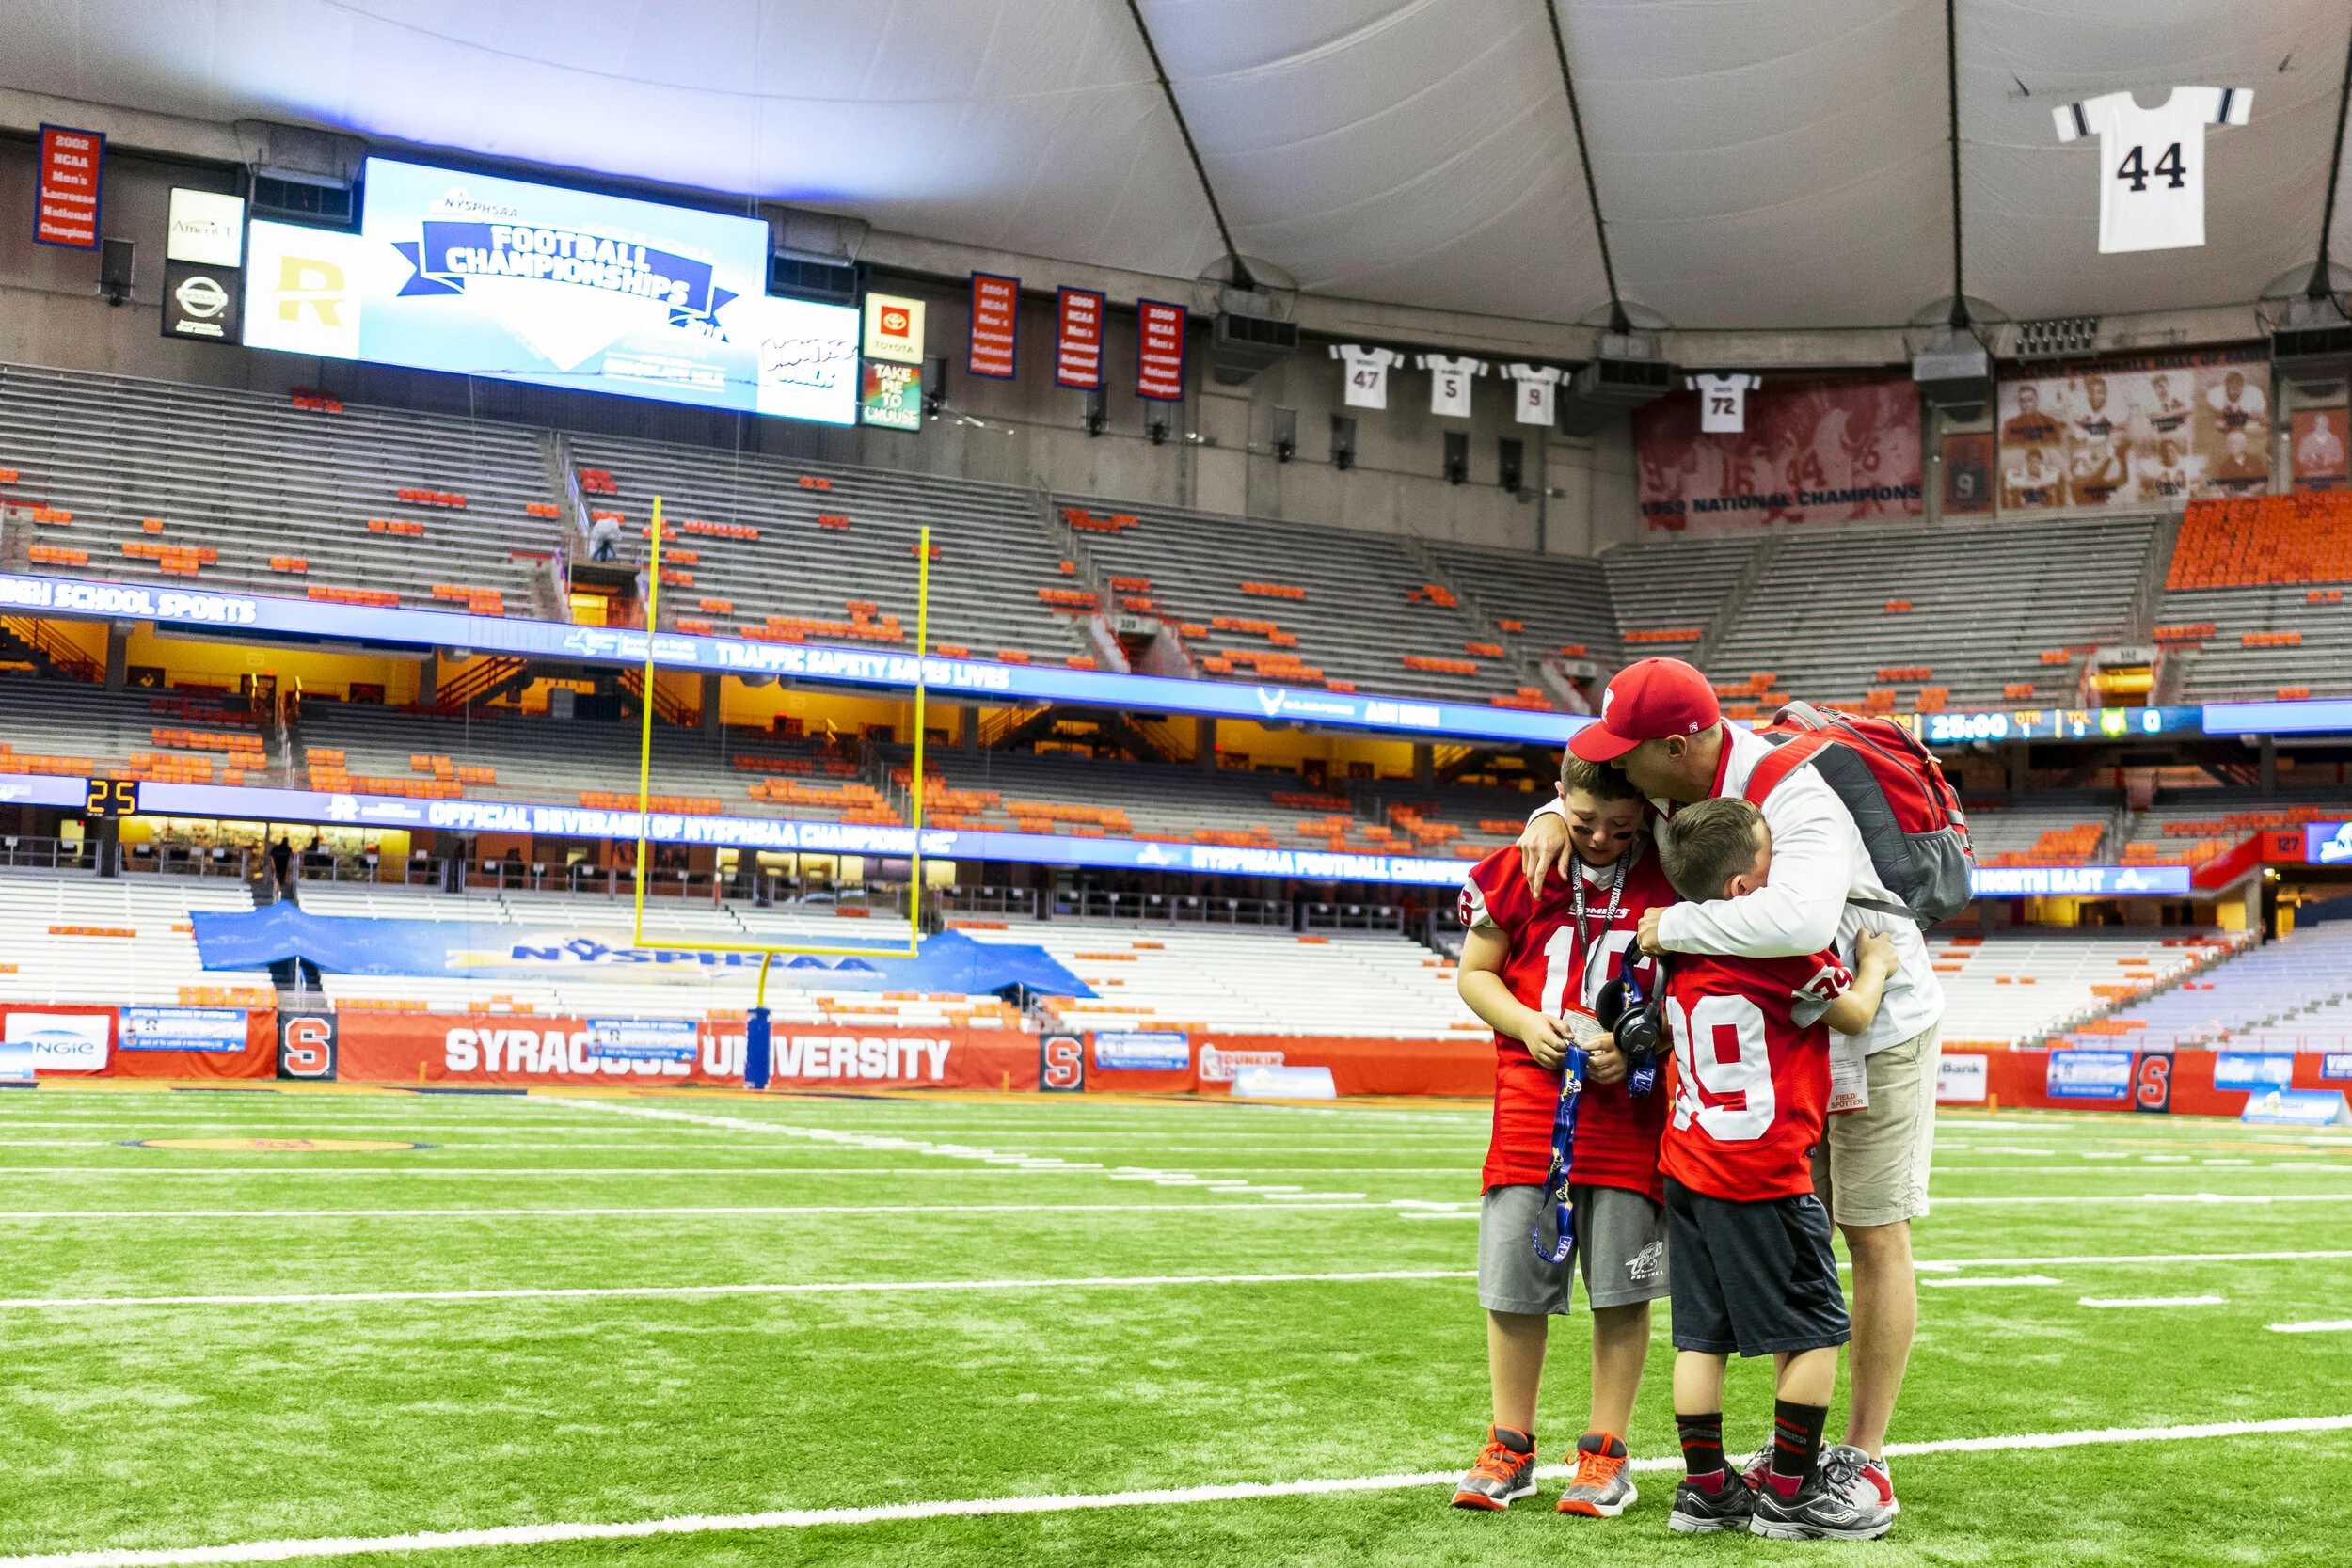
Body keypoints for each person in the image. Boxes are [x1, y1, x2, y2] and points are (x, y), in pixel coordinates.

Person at [1519, 657, 1945, 1517]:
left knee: (1871, 1232)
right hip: (1789, 1034)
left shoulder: (1791, 790)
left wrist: (1671, 924)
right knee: (1807, 1234)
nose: (1616, 768)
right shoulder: (1678, 786)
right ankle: (1802, 1450)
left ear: (1677, 748)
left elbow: (1797, 920)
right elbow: (1606, 800)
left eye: (1626, 752)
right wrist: (1548, 812)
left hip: (1873, 1020)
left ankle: (1863, 1456)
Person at [1648, 797, 1899, 1541]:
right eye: (1768, 856)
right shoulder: (1780, 948)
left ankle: (1704, 1490)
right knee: (1820, 1327)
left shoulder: (1673, 944)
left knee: (1700, 1337)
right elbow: (1852, 1012)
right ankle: (1791, 1490)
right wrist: (1878, 964)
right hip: (1760, 1172)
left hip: (1687, 1164)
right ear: (1740, 889)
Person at [1450, 757, 1677, 1517]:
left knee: (1622, 1286)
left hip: (1628, 1113)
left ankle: (1605, 1452)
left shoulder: (1673, 870)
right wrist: (1522, 1021)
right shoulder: (1527, 862)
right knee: (1516, 1282)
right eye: (1584, 823)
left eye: (1622, 824)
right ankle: (1509, 1443)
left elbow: (1703, 982)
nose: (1604, 838)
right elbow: (1476, 971)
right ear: (1557, 801)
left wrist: (1641, 1044)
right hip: (1529, 1106)